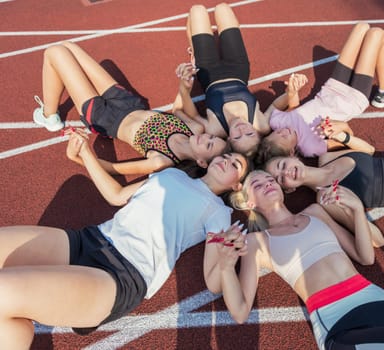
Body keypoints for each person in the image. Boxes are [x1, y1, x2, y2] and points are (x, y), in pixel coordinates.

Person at [0, 129, 250, 349]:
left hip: (121, 275)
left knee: (4, 291)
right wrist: (85, 152)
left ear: (237, 186)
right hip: (90, 239)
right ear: (205, 162)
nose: (226, 161)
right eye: (225, 156)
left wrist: (227, 263)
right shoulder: (172, 174)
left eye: (235, 165)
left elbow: (213, 281)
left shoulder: (218, 212)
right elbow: (116, 195)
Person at [204, 171, 384, 349]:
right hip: (337, 322)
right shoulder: (257, 242)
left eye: (269, 179)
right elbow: (240, 312)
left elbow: (365, 256)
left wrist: (356, 211)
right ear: (249, 202)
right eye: (257, 183)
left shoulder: (316, 212)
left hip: (377, 302)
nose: (267, 184)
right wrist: (227, 267)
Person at [33, 41, 228, 175]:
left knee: (54, 52)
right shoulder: (195, 129)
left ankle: (49, 116)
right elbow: (177, 109)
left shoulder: (162, 160)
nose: (207, 137)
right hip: (127, 102)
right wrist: (186, 82)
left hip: (105, 118)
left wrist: (78, 156)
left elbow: (111, 168)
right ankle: (50, 110)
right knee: (68, 47)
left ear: (201, 162)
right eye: (212, 137)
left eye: (209, 145)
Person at [256, 22, 384, 163]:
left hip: (332, 87)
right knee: (377, 34)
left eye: (277, 132)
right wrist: (340, 127)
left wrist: (292, 92)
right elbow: (346, 140)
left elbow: (294, 108)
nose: (283, 131)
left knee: (362, 27)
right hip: (353, 99)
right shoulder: (310, 147)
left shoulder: (277, 122)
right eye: (284, 137)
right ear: (292, 152)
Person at [180, 3, 306, 157]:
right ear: (258, 134)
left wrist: (184, 90)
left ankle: (194, 49)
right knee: (222, 8)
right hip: (238, 69)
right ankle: (201, 47)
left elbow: (193, 115)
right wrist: (291, 92)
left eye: (238, 137)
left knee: (197, 10)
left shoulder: (216, 129)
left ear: (228, 140)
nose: (242, 129)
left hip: (208, 72)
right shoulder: (261, 124)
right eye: (250, 134)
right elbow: (276, 105)